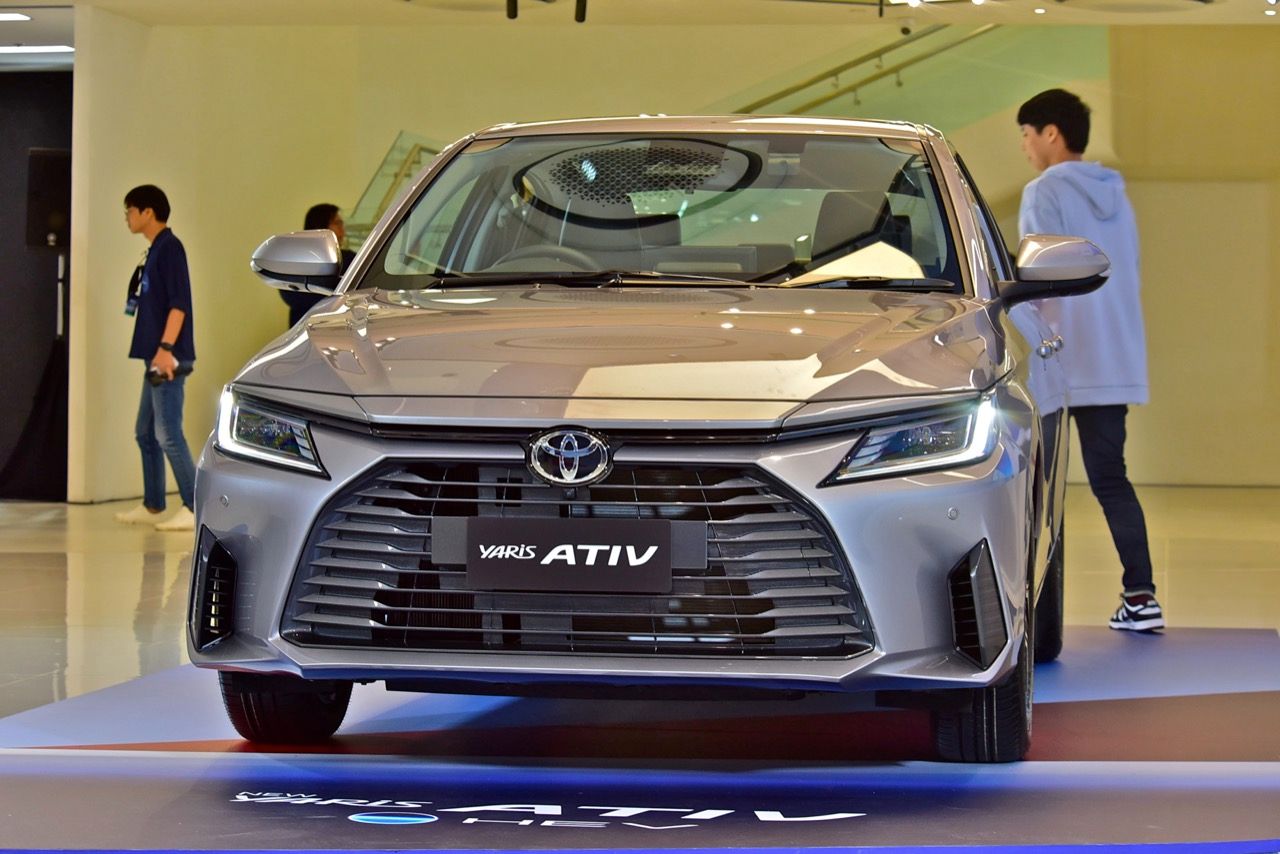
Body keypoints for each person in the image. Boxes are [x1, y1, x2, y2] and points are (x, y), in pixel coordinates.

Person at [1016, 88, 1162, 632]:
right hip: (1113, 358)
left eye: (1026, 135)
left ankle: (1028, 613)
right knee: (1111, 479)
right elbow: (1130, 271)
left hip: (1059, 357)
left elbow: (1040, 280)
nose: (1025, 147)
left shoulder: (1043, 191)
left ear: (1051, 134)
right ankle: (1141, 598)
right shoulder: (1117, 195)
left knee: (1036, 490)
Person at [113, 185, 197, 533]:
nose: (127, 218)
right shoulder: (156, 250)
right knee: (145, 432)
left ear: (147, 212)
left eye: (129, 211)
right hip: (156, 357)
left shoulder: (170, 249)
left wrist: (165, 349)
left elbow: (179, 304)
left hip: (168, 358)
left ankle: (194, 506)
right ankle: (153, 504)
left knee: (168, 433)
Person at [280, 203, 354, 327]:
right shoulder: (297, 262)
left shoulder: (349, 259)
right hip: (310, 332)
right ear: (320, 227)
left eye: (342, 223)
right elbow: (293, 296)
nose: (343, 230)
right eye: (337, 223)